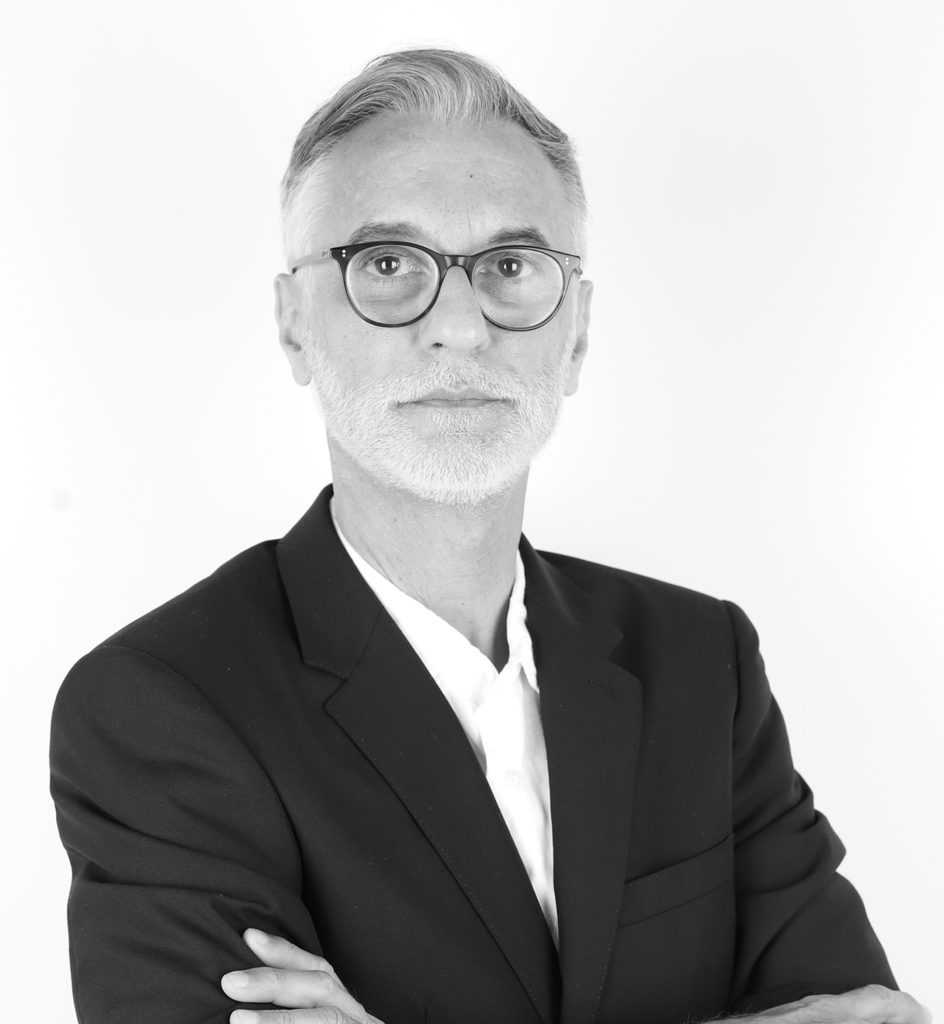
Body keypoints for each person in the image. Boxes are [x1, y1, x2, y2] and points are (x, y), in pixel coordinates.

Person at [49, 49, 929, 1024]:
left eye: (510, 267)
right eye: (389, 265)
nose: (460, 328)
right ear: (295, 324)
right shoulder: (161, 707)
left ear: (576, 332)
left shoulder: (700, 662)